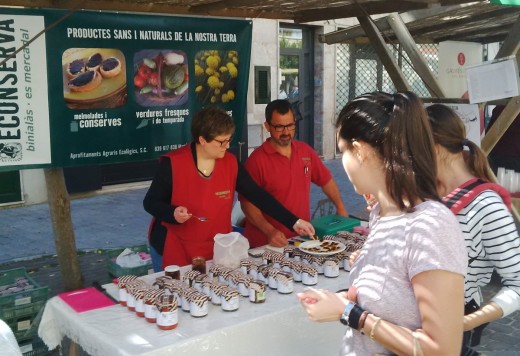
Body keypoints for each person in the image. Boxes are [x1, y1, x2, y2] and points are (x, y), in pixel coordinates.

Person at [297, 91, 467, 355]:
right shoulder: (381, 214)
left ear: (360, 150)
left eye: (342, 151)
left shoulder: (430, 225)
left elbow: (442, 349)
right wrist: (342, 300)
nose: (341, 163)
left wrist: (350, 313)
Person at [143, 106, 315, 271]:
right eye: (221, 142)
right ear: (202, 140)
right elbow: (150, 202)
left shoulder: (230, 163)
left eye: (229, 140)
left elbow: (257, 195)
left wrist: (294, 222)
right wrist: (172, 213)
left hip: (217, 246)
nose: (227, 146)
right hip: (176, 247)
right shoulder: (173, 164)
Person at [426, 104, 520, 354]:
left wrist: (465, 323)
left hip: (454, 323)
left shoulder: (487, 207)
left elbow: (517, 283)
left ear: (434, 148)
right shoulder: (423, 192)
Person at [239, 99, 347, 248]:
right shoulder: (256, 161)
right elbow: (247, 204)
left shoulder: (305, 152)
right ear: (267, 126)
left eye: (290, 126)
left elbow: (326, 180)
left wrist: (341, 207)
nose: (286, 132)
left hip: (301, 240)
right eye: (279, 127)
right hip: (266, 243)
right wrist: (269, 231)